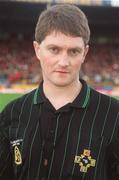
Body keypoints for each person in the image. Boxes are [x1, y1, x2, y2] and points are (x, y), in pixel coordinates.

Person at [0, 4, 119, 180]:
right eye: (54, 49)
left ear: (84, 53)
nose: (64, 62)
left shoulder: (114, 114)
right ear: (37, 49)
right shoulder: (12, 113)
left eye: (73, 51)